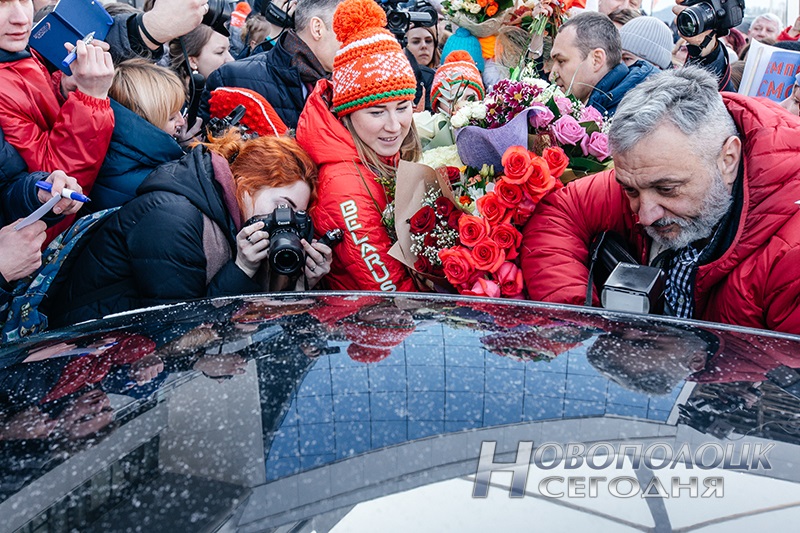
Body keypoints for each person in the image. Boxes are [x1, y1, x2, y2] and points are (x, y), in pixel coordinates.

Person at [520, 66, 800, 334]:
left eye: (667, 190)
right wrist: (578, 320)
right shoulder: (650, 171)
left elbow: (786, 380)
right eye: (630, 190)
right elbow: (561, 213)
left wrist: (694, 365)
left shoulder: (791, 257)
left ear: (728, 159)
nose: (645, 216)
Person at [49, 131, 331, 327]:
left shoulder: (229, 216)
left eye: (296, 215)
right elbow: (181, 329)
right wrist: (242, 267)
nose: (286, 221)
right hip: (81, 351)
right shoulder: (174, 217)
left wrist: (301, 280)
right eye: (283, 207)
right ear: (246, 184)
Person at [295, 0, 421, 292]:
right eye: (376, 112)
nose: (393, 125)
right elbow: (388, 290)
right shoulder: (343, 185)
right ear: (347, 114)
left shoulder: (378, 151)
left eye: (402, 107)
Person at [0, 0, 115, 239]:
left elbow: (35, 113)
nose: (21, 18)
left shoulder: (15, 51)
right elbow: (54, 182)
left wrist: (62, 90)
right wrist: (91, 98)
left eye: (23, 0)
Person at [199, 0, 343, 129]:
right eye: (347, 31)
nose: (354, 40)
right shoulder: (232, 79)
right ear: (317, 28)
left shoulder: (345, 86)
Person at [92, 59, 186, 211]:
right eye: (171, 117)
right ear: (144, 121)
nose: (181, 121)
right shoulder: (150, 183)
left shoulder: (119, 157)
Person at [549, 11, 655, 117]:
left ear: (597, 59)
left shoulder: (640, 116)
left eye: (561, 61)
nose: (552, 75)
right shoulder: (606, 103)